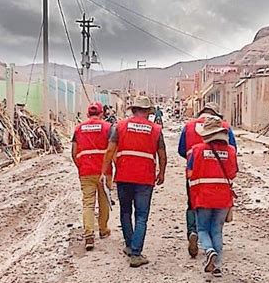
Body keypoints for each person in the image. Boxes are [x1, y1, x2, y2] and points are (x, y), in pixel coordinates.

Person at [101, 96, 167, 268]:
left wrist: (104, 172)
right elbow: (162, 154)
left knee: (125, 212)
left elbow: (110, 150)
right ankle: (136, 253)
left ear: (133, 110)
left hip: (124, 176)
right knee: (141, 215)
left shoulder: (120, 126)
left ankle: (130, 246)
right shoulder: (156, 129)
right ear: (147, 112)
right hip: (145, 178)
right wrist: (162, 172)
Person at [177, 102, 237, 258]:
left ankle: (193, 232)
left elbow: (181, 150)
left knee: (193, 204)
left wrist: (199, 160)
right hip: (220, 177)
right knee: (217, 210)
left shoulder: (189, 126)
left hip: (195, 175)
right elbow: (233, 153)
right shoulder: (226, 127)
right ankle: (213, 245)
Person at [186, 117, 238, 277]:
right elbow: (233, 173)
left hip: (203, 197)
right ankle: (217, 266)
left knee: (202, 228)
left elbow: (190, 173)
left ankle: (209, 251)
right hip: (223, 197)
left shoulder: (196, 150)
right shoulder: (231, 151)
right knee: (217, 230)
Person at [72, 102, 112, 251]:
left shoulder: (78, 129)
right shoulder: (108, 128)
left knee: (88, 203)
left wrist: (80, 167)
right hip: (104, 171)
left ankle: (89, 234)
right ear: (102, 114)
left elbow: (74, 152)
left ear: (88, 115)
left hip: (86, 172)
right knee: (104, 201)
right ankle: (103, 229)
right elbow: (112, 150)